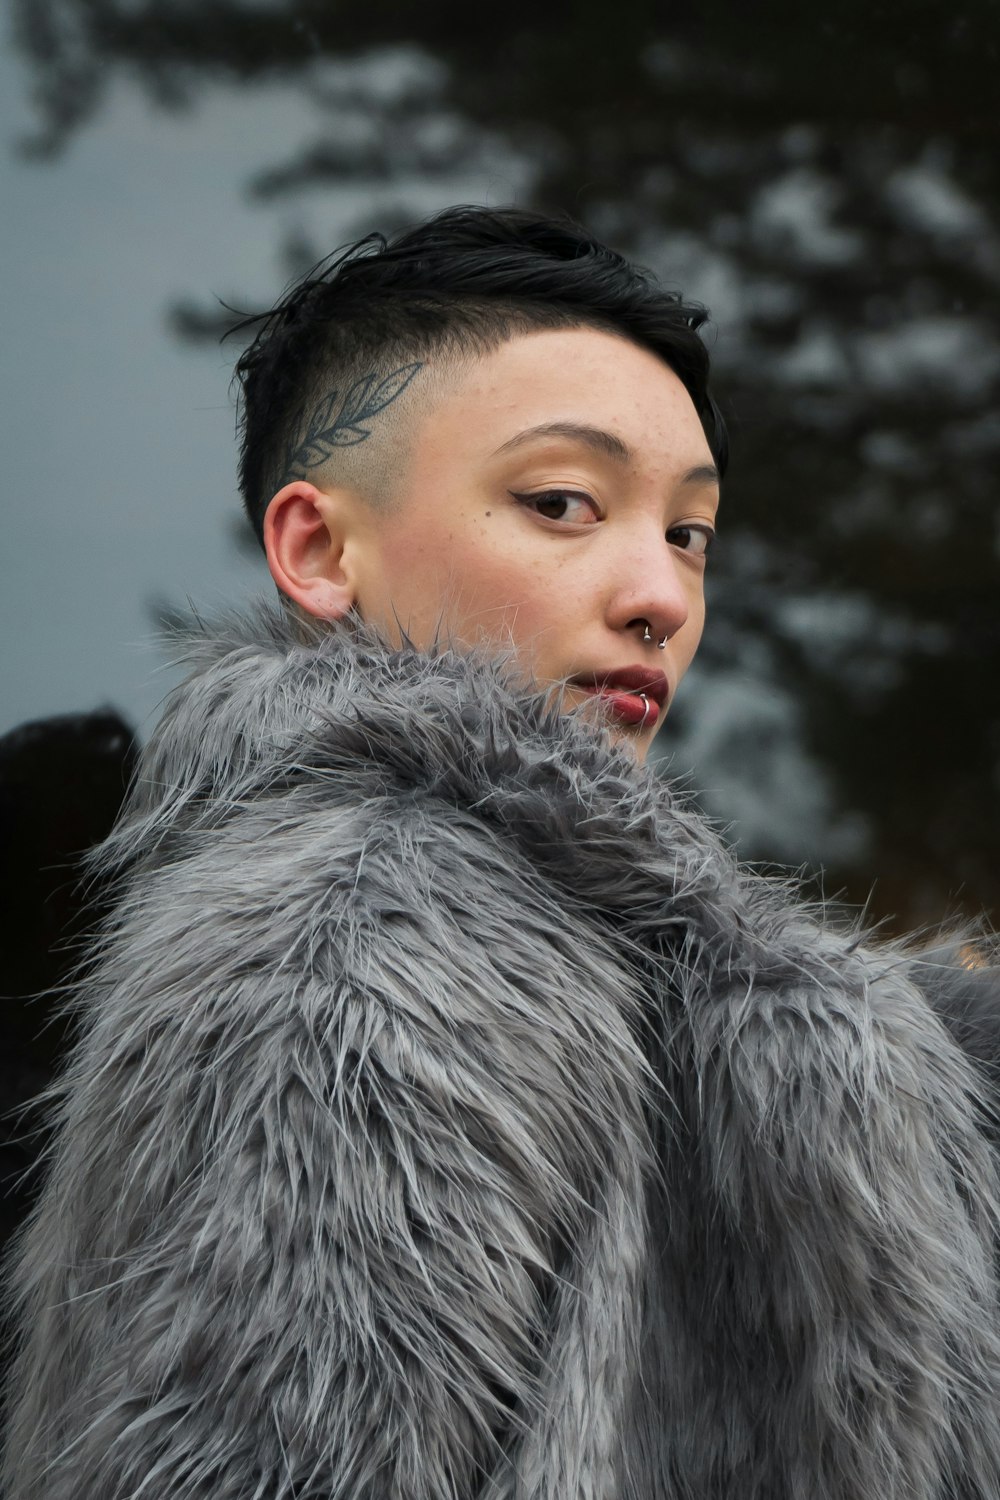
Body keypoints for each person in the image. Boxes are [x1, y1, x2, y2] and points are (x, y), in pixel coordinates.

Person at [3, 206, 1000, 1500]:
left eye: (689, 530)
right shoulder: (358, 952)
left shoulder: (631, 978)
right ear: (318, 548)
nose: (660, 592)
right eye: (563, 503)